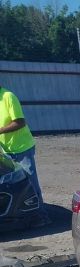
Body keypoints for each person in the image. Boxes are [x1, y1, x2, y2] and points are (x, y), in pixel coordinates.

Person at [0, 85, 50, 227]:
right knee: (10, 184)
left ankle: (42, 216)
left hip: (21, 147)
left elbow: (20, 122)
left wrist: (0, 130)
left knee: (30, 182)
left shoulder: (8, 96)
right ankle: (18, 215)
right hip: (5, 149)